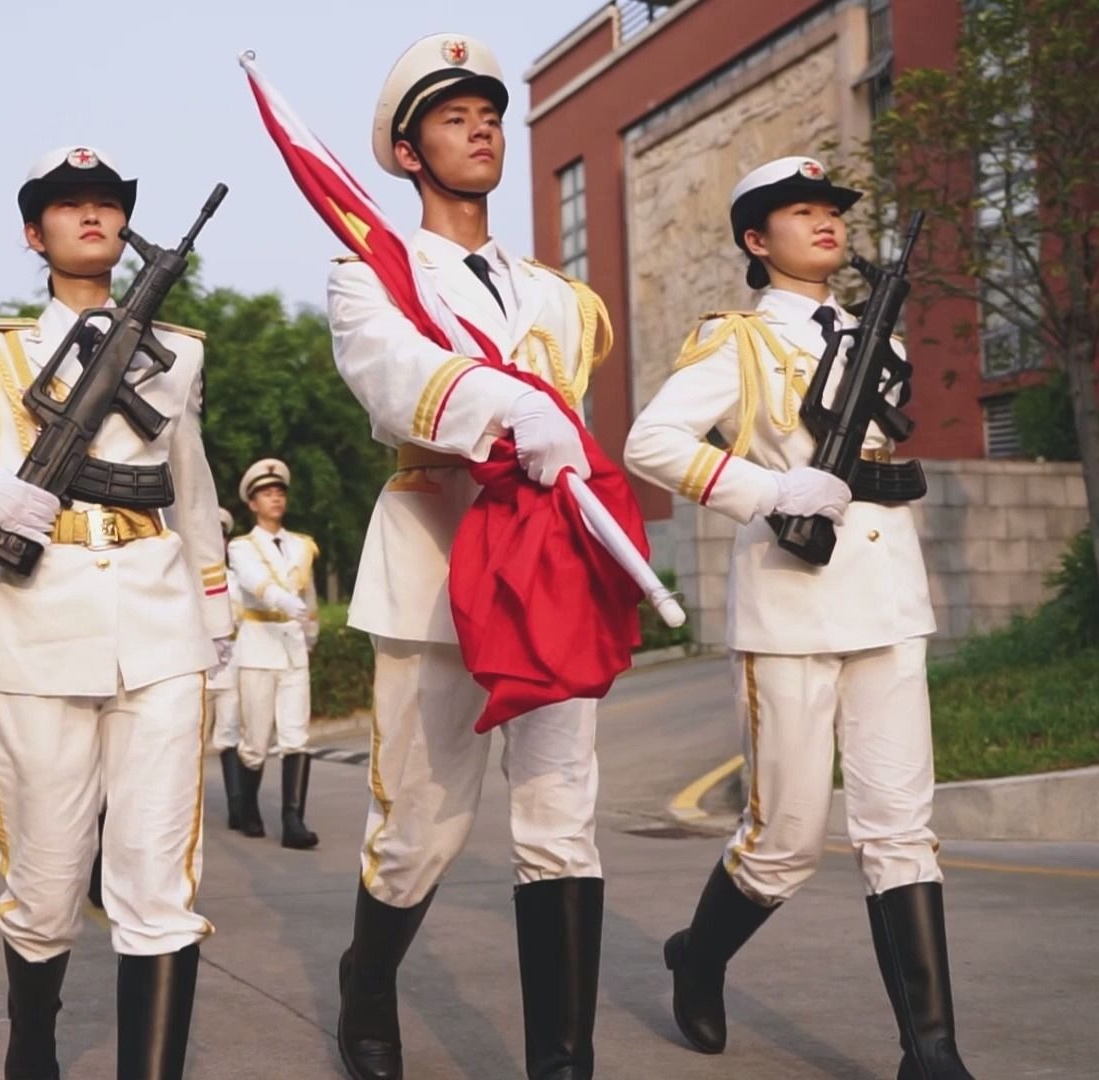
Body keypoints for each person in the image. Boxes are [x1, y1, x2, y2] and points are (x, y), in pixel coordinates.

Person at [0, 144, 232, 1079]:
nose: (93, 216)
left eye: (107, 203)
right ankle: (33, 1050)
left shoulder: (177, 349)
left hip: (158, 626)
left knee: (158, 883)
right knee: (46, 882)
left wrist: (215, 605)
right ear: (36, 232)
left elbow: (188, 485)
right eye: (69, 206)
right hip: (35, 631)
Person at [623, 156, 972, 1080]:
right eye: (801, 212)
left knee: (901, 827)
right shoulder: (735, 342)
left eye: (832, 211)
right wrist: (770, 486)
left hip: (888, 598)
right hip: (790, 606)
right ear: (755, 239)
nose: (825, 223)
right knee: (784, 843)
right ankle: (699, 957)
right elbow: (650, 441)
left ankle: (929, 1050)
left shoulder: (874, 333)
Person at [326, 33, 615, 1080]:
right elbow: (390, 373)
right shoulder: (373, 275)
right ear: (408, 154)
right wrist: (507, 407)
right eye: (454, 116)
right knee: (419, 836)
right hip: (438, 570)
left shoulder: (559, 295)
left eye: (489, 111)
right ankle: (367, 978)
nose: (483, 126)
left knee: (560, 824)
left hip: (549, 576)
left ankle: (563, 1064)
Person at [227, 458, 320, 849]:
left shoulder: (301, 545)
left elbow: (309, 596)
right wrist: (287, 602)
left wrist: (310, 634)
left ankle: (293, 819)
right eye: (267, 493)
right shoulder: (241, 546)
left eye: (279, 492)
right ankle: (248, 807)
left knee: (297, 737)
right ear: (252, 503)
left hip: (293, 648)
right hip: (259, 646)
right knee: (255, 742)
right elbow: (255, 583)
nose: (275, 498)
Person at [206, 507, 245, 830]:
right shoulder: (187, 577)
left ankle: (236, 806)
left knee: (229, 736)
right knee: (189, 743)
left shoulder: (236, 579)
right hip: (199, 672)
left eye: (221, 534)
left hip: (230, 668)